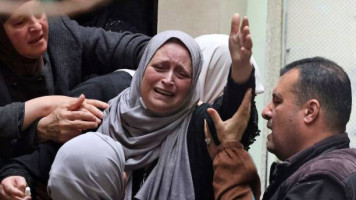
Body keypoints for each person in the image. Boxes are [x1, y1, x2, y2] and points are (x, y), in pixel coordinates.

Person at [47, 14, 259, 200]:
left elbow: (232, 117)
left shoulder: (197, 124)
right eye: (160, 67)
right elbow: (49, 154)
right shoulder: (105, 110)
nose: (168, 79)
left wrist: (240, 72)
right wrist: (17, 175)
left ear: (194, 84)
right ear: (142, 69)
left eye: (182, 73)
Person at [0, 0, 149, 164]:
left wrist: (162, 49)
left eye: (38, 13)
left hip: (65, 162)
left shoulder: (59, 30)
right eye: (20, 22)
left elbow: (114, 46)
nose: (36, 26)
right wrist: (44, 105)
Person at [206, 56, 356, 200]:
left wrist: (230, 154)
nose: (266, 111)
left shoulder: (324, 179)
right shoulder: (333, 170)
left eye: (277, 101)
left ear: (310, 112)